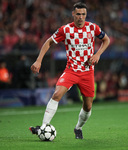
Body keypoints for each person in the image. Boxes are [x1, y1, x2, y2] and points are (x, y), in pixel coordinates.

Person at [29, 2, 110, 139]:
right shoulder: (65, 30)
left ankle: (78, 128)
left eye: (83, 14)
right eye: (78, 14)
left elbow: (106, 40)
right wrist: (38, 60)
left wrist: (98, 54)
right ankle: (43, 126)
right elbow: (48, 42)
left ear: (86, 15)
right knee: (56, 94)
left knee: (88, 106)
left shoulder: (92, 27)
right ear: (73, 14)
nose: (80, 17)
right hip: (71, 70)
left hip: (87, 72)